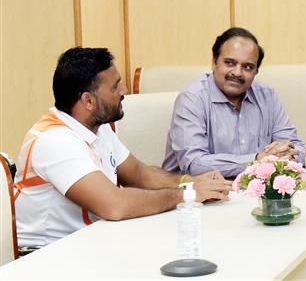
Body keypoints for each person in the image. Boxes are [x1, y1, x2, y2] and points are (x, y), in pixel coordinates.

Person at [14, 47, 232, 249]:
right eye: (115, 86)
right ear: (88, 100)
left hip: (91, 243)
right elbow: (115, 205)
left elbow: (140, 174)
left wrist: (191, 182)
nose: (124, 90)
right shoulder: (55, 141)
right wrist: (187, 195)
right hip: (49, 256)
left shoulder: (95, 126)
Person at [163, 27, 305, 178]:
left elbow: (295, 147)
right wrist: (257, 160)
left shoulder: (267, 95)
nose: (237, 72)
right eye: (230, 63)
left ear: (256, 71)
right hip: (196, 196)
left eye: (248, 67)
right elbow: (193, 162)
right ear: (214, 62)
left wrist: (288, 154)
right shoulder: (192, 98)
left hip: (253, 193)